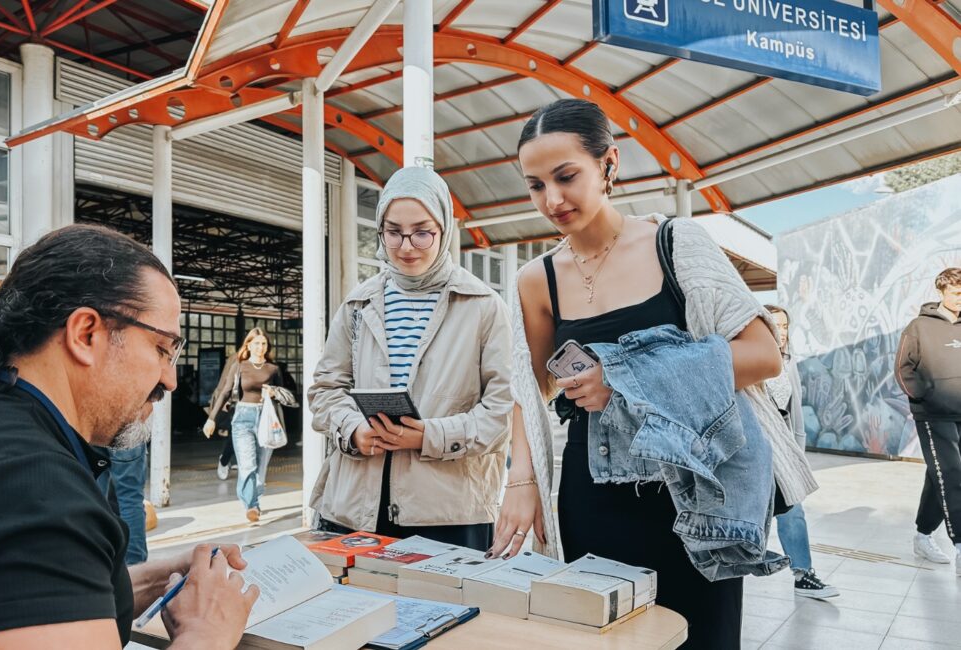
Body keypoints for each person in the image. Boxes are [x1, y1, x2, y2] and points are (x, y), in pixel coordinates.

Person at [489, 98, 815, 649]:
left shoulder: (674, 244)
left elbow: (763, 352)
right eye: (536, 185)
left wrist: (622, 376)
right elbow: (532, 386)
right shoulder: (535, 279)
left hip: (697, 491)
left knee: (702, 639)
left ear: (609, 164)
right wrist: (522, 481)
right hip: (592, 495)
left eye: (567, 176)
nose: (553, 199)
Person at [0, 225, 257, 650]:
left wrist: (164, 575)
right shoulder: (23, 486)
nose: (170, 379)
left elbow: (29, 592)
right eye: (162, 349)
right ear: (85, 333)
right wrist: (207, 633)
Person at [308, 166, 513, 552]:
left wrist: (429, 436)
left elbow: (501, 413)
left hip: (448, 513)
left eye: (422, 232)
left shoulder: (484, 306)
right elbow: (325, 390)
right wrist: (353, 429)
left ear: (444, 230)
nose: (406, 246)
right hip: (354, 505)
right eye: (393, 231)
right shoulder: (357, 304)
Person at [764, 305, 839, 598]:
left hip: (784, 445)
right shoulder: (748, 359)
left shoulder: (788, 361)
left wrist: (798, 454)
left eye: (785, 326)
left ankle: (803, 574)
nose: (781, 332)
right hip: (755, 447)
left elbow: (794, 411)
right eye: (774, 325)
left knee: (793, 509)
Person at [895, 266, 961, 573]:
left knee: (941, 475)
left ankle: (922, 535)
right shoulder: (919, 326)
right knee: (951, 473)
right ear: (942, 291)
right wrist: (925, 396)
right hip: (934, 414)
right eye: (956, 292)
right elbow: (903, 368)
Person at [203, 328, 286, 523]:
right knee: (247, 465)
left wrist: (274, 392)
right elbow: (224, 392)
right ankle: (251, 506)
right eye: (256, 343)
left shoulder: (273, 369)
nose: (260, 347)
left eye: (264, 343)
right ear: (248, 345)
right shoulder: (239, 366)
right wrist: (211, 418)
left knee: (261, 468)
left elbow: (285, 393)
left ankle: (254, 500)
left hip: (266, 418)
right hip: (243, 418)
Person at [98, 444, 150, 565]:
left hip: (91, 430)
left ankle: (96, 558)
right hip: (126, 432)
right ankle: (134, 563)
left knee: (95, 496)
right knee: (130, 498)